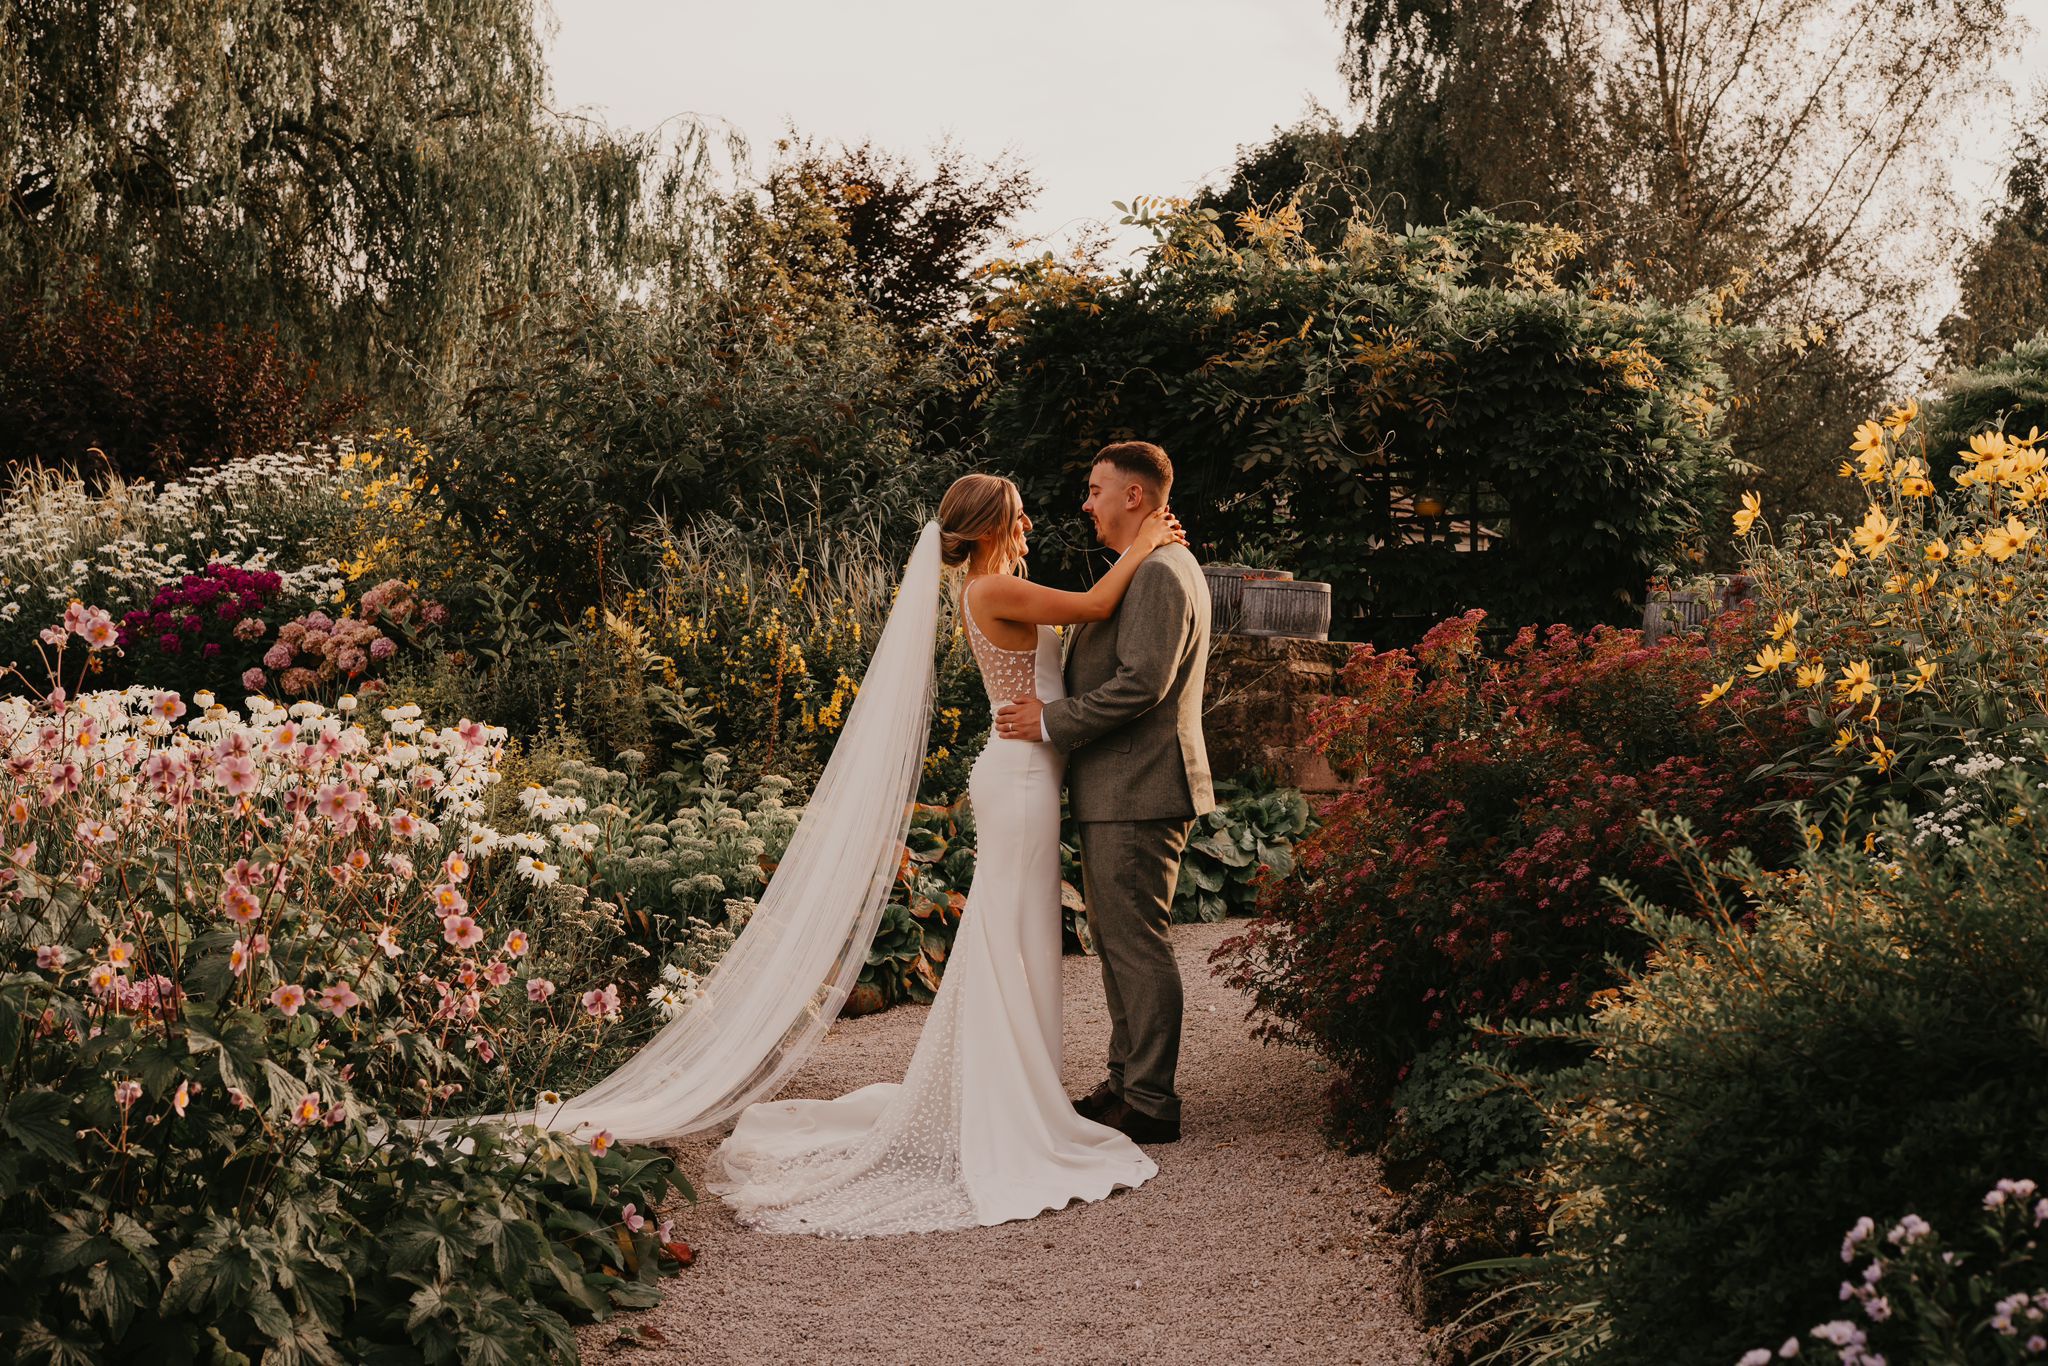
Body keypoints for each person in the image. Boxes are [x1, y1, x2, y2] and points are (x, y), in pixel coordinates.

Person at [709, 471, 1188, 1237]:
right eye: (1022, 510)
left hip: (1029, 772)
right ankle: (1011, 1101)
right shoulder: (992, 589)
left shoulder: (1000, 584)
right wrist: (1153, 542)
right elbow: (1096, 605)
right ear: (996, 522)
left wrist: (1150, 552)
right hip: (1023, 777)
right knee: (1010, 935)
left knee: (1017, 935)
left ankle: (1015, 1087)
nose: (1034, 517)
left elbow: (1088, 625)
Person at [993, 442, 1214, 1145]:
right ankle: (1125, 1084)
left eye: (1095, 490)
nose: (1085, 504)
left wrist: (1051, 722)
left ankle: (1149, 1100)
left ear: (1135, 497)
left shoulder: (1160, 574)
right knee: (1119, 942)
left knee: (1136, 944)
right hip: (1122, 783)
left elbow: (1142, 683)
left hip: (1139, 784)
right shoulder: (1143, 568)